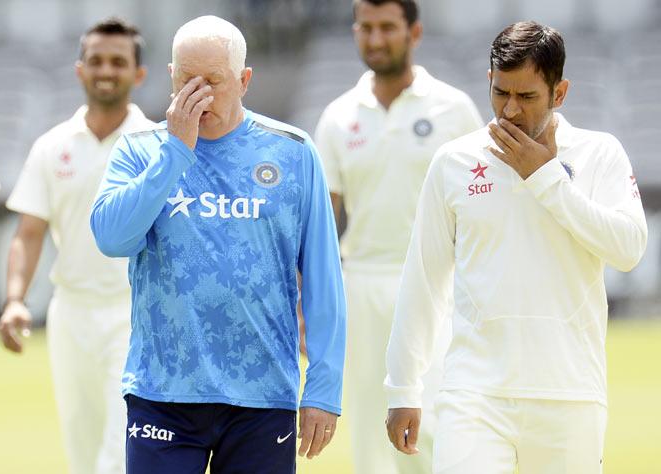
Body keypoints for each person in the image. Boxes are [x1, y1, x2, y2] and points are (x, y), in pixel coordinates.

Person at [385, 20, 647, 474]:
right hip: (474, 393)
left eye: (526, 97)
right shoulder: (454, 161)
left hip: (571, 393)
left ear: (559, 93)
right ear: (489, 81)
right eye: (500, 93)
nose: (509, 111)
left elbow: (628, 249)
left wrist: (545, 177)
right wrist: (404, 388)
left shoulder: (600, 153)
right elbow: (423, 280)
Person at [89, 15, 346, 474]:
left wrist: (323, 387)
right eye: (188, 80)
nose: (200, 93)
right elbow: (111, 238)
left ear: (244, 80)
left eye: (215, 80)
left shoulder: (292, 151)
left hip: (262, 392)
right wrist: (175, 152)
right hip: (162, 391)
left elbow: (324, 277)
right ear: (171, 76)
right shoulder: (139, 150)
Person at [314, 1, 482, 472]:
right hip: (363, 284)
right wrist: (310, 301)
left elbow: (481, 202)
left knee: (431, 425)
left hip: (437, 285)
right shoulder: (337, 116)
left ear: (415, 33)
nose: (375, 38)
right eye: (365, 28)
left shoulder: (452, 108)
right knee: (372, 432)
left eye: (387, 27)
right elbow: (323, 222)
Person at [0, 18, 153, 474]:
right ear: (80, 69)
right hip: (71, 315)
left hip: (135, 312)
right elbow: (28, 233)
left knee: (118, 447)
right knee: (81, 446)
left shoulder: (156, 145)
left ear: (138, 74)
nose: (107, 70)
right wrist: (14, 301)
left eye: (118, 62)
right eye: (97, 61)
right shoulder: (52, 146)